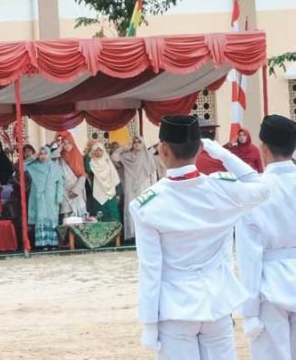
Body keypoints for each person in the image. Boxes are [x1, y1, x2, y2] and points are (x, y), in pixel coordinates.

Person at [131, 115, 270, 358]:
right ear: (199, 148)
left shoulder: (147, 205)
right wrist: (224, 155)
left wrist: (150, 325)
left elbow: (151, 270)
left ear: (163, 149)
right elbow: (261, 187)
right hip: (217, 301)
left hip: (176, 308)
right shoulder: (222, 188)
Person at [235, 115, 296, 359]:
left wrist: (249, 312)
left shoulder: (255, 192)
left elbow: (249, 256)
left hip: (271, 287)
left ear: (264, 148)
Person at [112, 135, 160, 241]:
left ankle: (146, 234)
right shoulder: (126, 156)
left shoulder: (147, 155)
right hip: (130, 186)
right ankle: (133, 234)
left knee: (145, 208)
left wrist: (154, 188)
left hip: (145, 186)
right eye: (135, 142)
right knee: (131, 209)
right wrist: (124, 147)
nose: (137, 144)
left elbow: (153, 173)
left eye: (139, 142)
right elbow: (114, 157)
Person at [24, 145, 63, 249]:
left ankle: (53, 243)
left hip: (51, 197)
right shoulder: (34, 166)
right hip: (39, 197)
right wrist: (32, 157)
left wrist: (59, 197)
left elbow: (60, 183)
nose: (43, 156)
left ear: (49, 154)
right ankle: (42, 244)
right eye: (41, 154)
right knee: (41, 218)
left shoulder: (55, 167)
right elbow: (22, 167)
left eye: (45, 154)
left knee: (51, 218)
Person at [53, 131, 88, 219]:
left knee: (80, 219)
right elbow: (49, 160)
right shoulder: (58, 157)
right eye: (64, 144)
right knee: (67, 218)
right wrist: (58, 149)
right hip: (65, 192)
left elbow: (82, 175)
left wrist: (75, 191)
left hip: (77, 192)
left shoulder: (77, 156)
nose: (67, 146)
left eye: (69, 143)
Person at [86, 141, 121, 221]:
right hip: (99, 192)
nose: (98, 152)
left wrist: (118, 193)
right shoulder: (92, 162)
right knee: (100, 215)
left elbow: (115, 177)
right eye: (96, 150)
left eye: (100, 150)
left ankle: (115, 233)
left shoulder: (108, 162)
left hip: (110, 193)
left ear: (103, 151)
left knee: (113, 215)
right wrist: (88, 156)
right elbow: (88, 169)